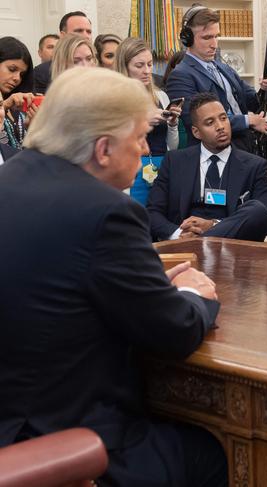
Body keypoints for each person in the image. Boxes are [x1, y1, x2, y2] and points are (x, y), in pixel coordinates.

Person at [0, 67, 227, 486]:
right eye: (140, 138)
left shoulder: (9, 177)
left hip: (11, 429)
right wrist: (193, 294)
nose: (145, 151)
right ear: (103, 149)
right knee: (219, 453)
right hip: (72, 442)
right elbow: (172, 331)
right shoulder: (107, 212)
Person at [147, 92, 267, 242]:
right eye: (210, 123)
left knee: (257, 209)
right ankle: (196, 242)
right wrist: (179, 235)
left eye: (223, 118)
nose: (220, 127)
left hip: (234, 248)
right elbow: (153, 213)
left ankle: (199, 241)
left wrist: (213, 226)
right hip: (183, 247)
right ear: (196, 132)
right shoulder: (174, 161)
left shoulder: (255, 165)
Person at [166, 6, 267, 150]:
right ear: (187, 39)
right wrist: (247, 120)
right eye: (207, 37)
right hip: (213, 155)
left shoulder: (224, 68)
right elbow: (197, 121)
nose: (214, 44)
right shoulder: (180, 75)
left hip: (245, 149)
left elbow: (256, 105)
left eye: (216, 36)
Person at [114, 37, 181, 205]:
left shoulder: (161, 96)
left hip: (162, 167)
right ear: (125, 67)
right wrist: (143, 121)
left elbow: (172, 147)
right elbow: (113, 141)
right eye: (139, 65)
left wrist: (172, 124)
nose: (147, 71)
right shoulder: (113, 99)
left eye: (150, 64)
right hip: (131, 169)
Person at [34, 11, 93, 93]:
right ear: (63, 35)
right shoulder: (43, 73)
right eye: (79, 31)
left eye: (89, 32)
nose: (86, 36)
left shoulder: (99, 70)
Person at [0, 37, 36, 149]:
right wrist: (4, 105)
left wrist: (33, 127)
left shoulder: (18, 105)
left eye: (22, 74)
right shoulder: (9, 102)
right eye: (12, 69)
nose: (17, 78)